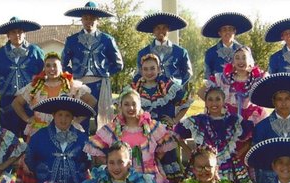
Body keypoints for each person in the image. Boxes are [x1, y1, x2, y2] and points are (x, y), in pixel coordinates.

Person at [85, 88, 177, 183]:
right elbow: (95, 145)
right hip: (123, 176)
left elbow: (165, 141)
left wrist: (153, 158)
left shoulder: (149, 125)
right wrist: (111, 163)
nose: (131, 108)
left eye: (134, 104)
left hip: (148, 175)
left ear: (139, 105)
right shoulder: (114, 127)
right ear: (120, 106)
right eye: (126, 104)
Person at [174, 86, 254, 183]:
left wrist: (239, 153)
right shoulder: (198, 121)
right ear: (205, 103)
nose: (214, 103)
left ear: (223, 101)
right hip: (203, 167)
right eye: (210, 100)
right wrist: (191, 153)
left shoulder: (233, 120)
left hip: (228, 166)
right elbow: (177, 135)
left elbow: (251, 136)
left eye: (217, 99)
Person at [63, 1, 124, 130]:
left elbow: (118, 64)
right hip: (79, 84)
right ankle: (80, 148)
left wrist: (105, 74)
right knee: (80, 118)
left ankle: (103, 148)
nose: (89, 21)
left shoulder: (107, 39)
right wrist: (72, 76)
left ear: (98, 20)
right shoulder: (72, 40)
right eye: (85, 18)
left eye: (92, 18)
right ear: (82, 20)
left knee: (103, 121)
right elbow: (63, 64)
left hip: (100, 84)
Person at [12, 52, 97, 139]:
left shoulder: (71, 85)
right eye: (48, 65)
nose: (51, 68)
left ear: (61, 68)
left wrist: (78, 119)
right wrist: (27, 119)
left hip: (65, 133)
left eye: (55, 65)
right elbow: (16, 103)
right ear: (44, 68)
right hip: (40, 133)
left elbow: (92, 101)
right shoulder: (36, 86)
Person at [23, 97, 95, 183]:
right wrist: (43, 172)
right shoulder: (39, 136)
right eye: (60, 115)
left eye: (67, 115)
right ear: (53, 115)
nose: (63, 119)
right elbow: (29, 159)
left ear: (73, 117)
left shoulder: (82, 138)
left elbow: (88, 162)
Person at [0, 17, 45, 138]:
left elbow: (43, 74)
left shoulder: (36, 51)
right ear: (8, 35)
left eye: (20, 31)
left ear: (24, 34)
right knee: (8, 138)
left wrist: (33, 90)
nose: (17, 35)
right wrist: (8, 88)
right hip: (8, 102)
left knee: (32, 137)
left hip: (31, 101)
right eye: (13, 32)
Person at [199, 46, 268, 125]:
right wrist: (215, 104)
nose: (240, 61)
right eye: (237, 58)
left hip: (251, 118)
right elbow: (201, 92)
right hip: (227, 118)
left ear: (250, 62)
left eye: (244, 58)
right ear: (233, 63)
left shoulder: (257, 79)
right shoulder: (223, 79)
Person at [135, 12, 193, 90]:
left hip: (174, 92)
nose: (161, 31)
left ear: (168, 29)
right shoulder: (143, 53)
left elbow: (188, 73)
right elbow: (139, 74)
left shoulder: (181, 52)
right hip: (150, 94)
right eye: (158, 28)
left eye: (164, 28)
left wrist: (179, 88)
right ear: (153, 31)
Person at [131, 53, 190, 128]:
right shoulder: (136, 88)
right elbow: (122, 105)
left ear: (158, 69)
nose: (149, 72)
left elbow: (186, 102)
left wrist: (175, 120)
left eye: (152, 68)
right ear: (141, 71)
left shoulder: (168, 86)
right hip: (143, 132)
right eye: (145, 69)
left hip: (164, 132)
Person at [201, 12, 253, 78]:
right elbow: (207, 75)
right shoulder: (210, 52)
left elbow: (251, 70)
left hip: (241, 86)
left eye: (230, 29)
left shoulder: (245, 50)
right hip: (218, 87)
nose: (227, 32)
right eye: (224, 30)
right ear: (220, 33)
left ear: (234, 32)